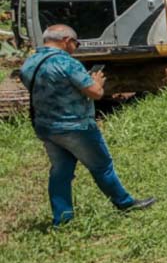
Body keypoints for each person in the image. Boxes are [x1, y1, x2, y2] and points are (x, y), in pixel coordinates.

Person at [19, 24, 155, 226]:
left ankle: (63, 218)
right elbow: (95, 93)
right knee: (102, 166)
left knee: (61, 171)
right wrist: (97, 81)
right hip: (76, 127)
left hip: (46, 127)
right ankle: (125, 203)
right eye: (76, 43)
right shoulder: (68, 63)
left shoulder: (29, 63)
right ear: (66, 41)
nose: (76, 47)